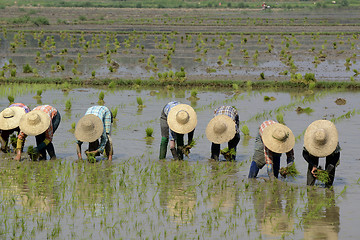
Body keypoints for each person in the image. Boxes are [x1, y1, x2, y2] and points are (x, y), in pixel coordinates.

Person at [303, 120, 340, 187]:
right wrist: (313, 165)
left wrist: (327, 171)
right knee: (312, 167)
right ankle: (310, 187)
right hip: (313, 152)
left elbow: (336, 157)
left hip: (331, 154)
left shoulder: (334, 143)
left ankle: (328, 188)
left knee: (331, 168)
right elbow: (304, 154)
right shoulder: (309, 141)